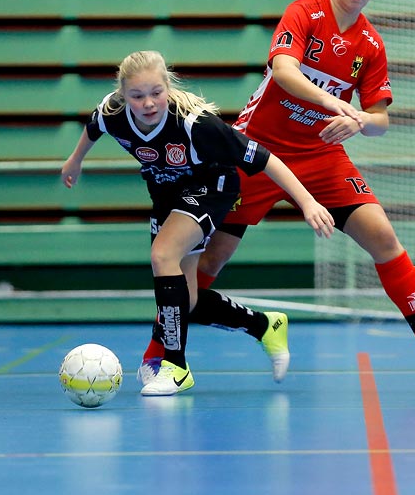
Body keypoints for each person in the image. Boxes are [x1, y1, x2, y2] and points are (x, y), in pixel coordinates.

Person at [140, 0, 415, 375]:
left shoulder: (371, 45)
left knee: (382, 236)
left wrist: (360, 119)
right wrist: (334, 103)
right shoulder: (304, 13)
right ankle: (160, 352)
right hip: (256, 152)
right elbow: (284, 70)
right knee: (203, 262)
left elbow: (381, 120)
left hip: (321, 156)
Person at [61, 50, 335, 396]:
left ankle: (175, 365)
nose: (148, 103)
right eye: (137, 95)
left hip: (212, 188)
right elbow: (93, 126)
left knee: (163, 256)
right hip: (166, 196)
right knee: (185, 300)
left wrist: (308, 202)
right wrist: (74, 161)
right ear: (122, 94)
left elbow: (267, 159)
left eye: (156, 92)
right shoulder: (114, 112)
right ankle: (264, 325)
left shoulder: (195, 125)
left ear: (168, 86)